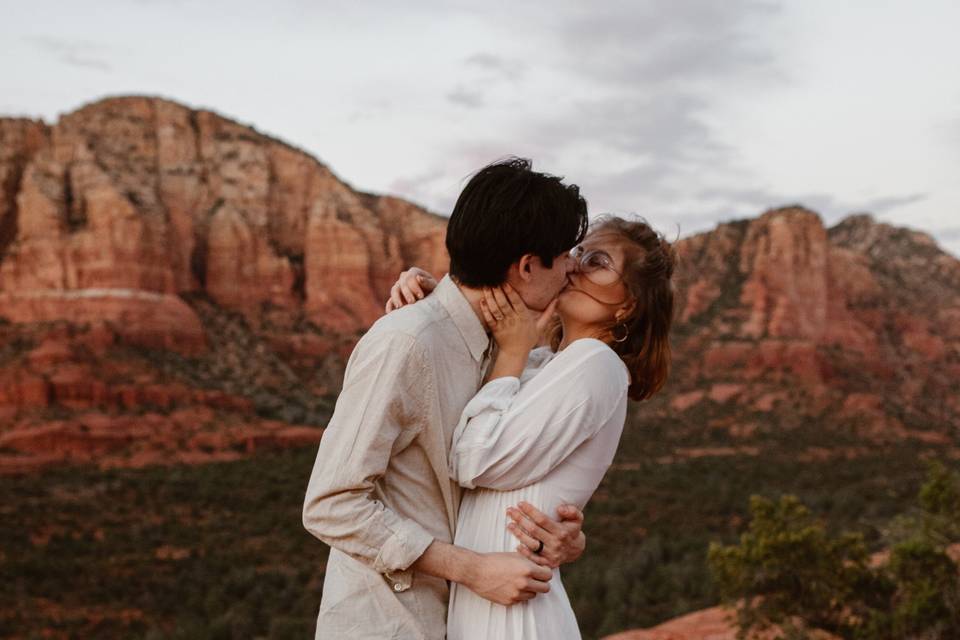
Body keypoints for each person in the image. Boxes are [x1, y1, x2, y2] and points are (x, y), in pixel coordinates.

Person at [302, 158, 592, 640]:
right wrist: (473, 569)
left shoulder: (513, 353)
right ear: (525, 267)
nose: (572, 268)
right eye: (563, 254)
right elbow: (331, 502)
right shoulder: (408, 342)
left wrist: (567, 538)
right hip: (391, 626)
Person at [387, 214, 676, 638]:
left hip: (517, 621)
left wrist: (511, 353)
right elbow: (471, 382)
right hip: (485, 607)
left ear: (628, 302)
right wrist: (436, 301)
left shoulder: (597, 365)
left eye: (597, 260)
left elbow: (471, 459)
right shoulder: (545, 365)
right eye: (576, 253)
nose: (575, 265)